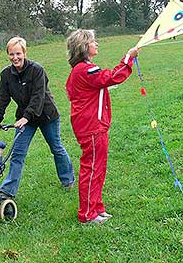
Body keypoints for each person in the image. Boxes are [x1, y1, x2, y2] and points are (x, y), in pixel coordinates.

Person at [65, 29, 139, 224]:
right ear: (83, 47)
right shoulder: (85, 70)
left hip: (93, 126)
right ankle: (87, 214)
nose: (96, 44)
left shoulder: (81, 70)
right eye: (93, 42)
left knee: (98, 168)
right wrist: (128, 58)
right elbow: (112, 77)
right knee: (92, 169)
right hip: (91, 127)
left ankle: (97, 208)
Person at [0, 36, 75, 201]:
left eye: (18, 54)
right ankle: (7, 192)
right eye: (11, 54)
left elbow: (38, 97)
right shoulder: (6, 74)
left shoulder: (37, 70)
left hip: (46, 115)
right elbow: (2, 97)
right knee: (17, 154)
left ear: (24, 52)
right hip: (25, 118)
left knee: (56, 148)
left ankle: (68, 180)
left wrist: (26, 117)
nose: (15, 58)